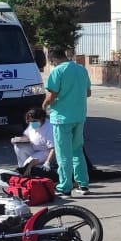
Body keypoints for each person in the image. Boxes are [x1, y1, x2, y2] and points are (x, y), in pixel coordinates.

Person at [42, 47, 91, 196]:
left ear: (53, 59)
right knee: (77, 151)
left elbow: (51, 95)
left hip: (61, 118)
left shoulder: (57, 71)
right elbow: (88, 93)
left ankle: (65, 186)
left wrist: (44, 105)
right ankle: (83, 184)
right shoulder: (81, 69)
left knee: (63, 154)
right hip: (79, 116)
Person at [11, 105, 55, 169]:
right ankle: (22, 168)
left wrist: (47, 162)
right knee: (19, 146)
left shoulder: (49, 127)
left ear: (41, 118)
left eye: (34, 121)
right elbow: (27, 136)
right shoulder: (33, 124)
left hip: (46, 152)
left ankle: (29, 168)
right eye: (30, 121)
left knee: (28, 163)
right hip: (35, 148)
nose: (32, 123)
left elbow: (53, 148)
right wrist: (18, 139)